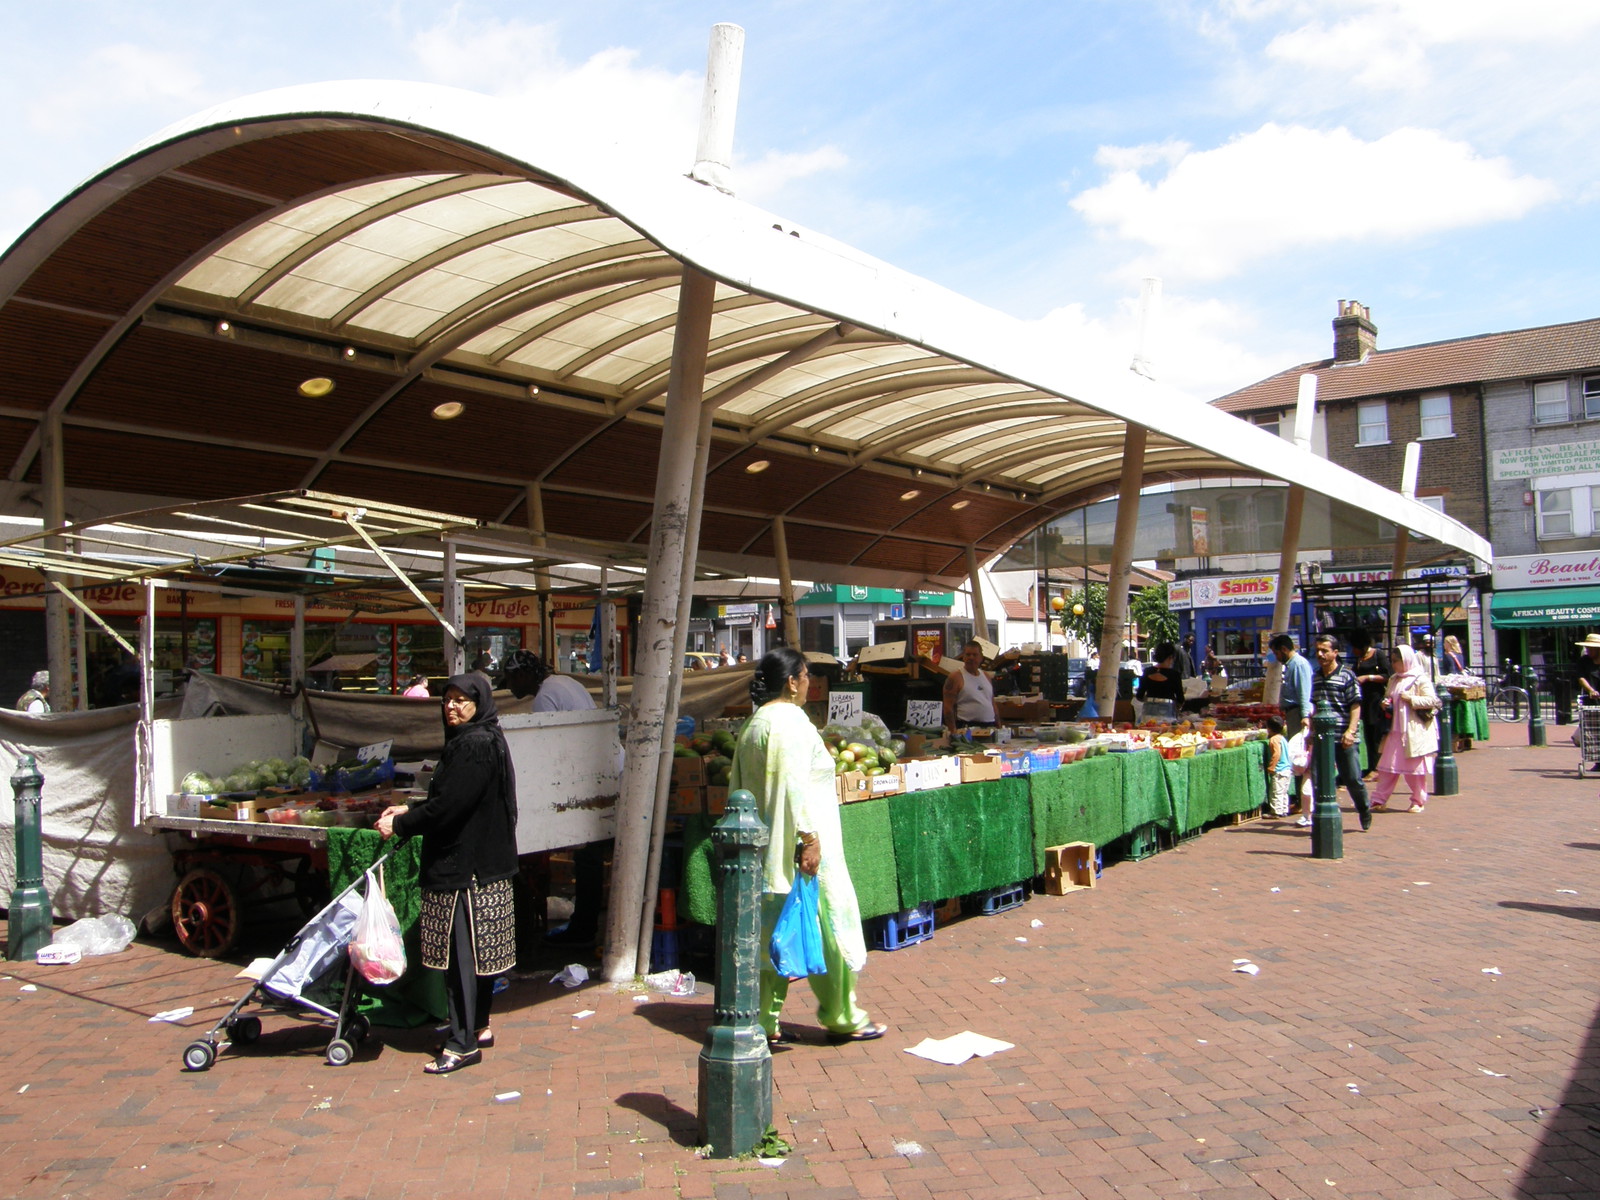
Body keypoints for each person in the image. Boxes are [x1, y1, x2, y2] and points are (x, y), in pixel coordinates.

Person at [730, 648, 885, 1046]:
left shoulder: (755, 724)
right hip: (803, 850)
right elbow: (794, 787)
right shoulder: (791, 724)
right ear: (792, 681)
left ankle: (764, 1020)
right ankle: (843, 1015)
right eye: (806, 675)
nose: (809, 683)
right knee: (825, 929)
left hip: (765, 850)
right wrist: (809, 840)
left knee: (775, 935)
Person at [377, 673, 517, 1074]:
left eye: (461, 701)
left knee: (462, 958)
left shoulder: (473, 744)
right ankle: (478, 1026)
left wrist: (401, 825)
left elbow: (448, 809)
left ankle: (461, 1043)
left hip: (464, 868)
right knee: (480, 954)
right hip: (483, 864)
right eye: (447, 700)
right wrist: (410, 807)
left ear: (479, 703)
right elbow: (453, 796)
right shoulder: (484, 737)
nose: (452, 708)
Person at [498, 648, 605, 945]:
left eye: (510, 679)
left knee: (588, 860)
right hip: (595, 770)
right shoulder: (565, 683)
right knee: (590, 858)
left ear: (523, 674)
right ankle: (583, 926)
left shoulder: (546, 696)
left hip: (587, 776)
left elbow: (546, 749)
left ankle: (583, 930)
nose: (509, 687)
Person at [1307, 634, 1373, 831]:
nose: (1320, 654)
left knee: (1352, 778)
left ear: (1335, 653)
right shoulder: (1316, 677)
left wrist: (1351, 731)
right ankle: (1322, 819)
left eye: (1325, 651)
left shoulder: (1347, 675)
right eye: (1318, 650)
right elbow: (1315, 707)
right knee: (1319, 780)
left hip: (1344, 736)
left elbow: (1355, 705)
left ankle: (1364, 809)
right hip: (1322, 737)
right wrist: (1311, 730)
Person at [1370, 645, 1441, 814]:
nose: (1393, 665)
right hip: (1394, 730)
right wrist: (1385, 702)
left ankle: (1418, 800)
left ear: (1406, 660)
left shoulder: (1420, 678)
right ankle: (1378, 800)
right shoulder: (1394, 679)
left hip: (1413, 731)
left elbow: (1433, 701)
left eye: (1396, 661)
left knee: (1415, 770)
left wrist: (1411, 699)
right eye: (1392, 661)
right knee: (1387, 767)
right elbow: (1388, 696)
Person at [1349, 632, 1391, 778]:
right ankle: (1371, 765)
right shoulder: (1359, 658)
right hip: (1363, 700)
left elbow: (1387, 676)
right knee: (1367, 733)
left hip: (1375, 699)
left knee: (1375, 735)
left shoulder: (1378, 655)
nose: (1353, 650)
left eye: (1355, 647)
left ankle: (1378, 768)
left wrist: (1368, 677)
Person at [500, 649, 595, 713]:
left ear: (521, 675)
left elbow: (548, 739)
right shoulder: (566, 680)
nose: (509, 686)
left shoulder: (544, 697)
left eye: (509, 680)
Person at [943, 640, 997, 732]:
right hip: (967, 727)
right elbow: (948, 708)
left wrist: (999, 726)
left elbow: (992, 703)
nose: (971, 658)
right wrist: (953, 731)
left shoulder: (986, 676)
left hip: (990, 726)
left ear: (981, 657)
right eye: (968, 655)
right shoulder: (955, 677)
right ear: (963, 657)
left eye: (975, 655)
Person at [1270, 634, 1312, 732]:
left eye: (1276, 653)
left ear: (1284, 649)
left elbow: (1304, 692)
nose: (1277, 657)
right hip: (1291, 713)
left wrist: (1305, 716)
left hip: (1297, 713)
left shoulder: (1299, 664)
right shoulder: (1291, 665)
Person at [1263, 715, 1293, 818]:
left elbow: (1276, 753)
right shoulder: (1282, 738)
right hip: (1287, 769)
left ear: (1269, 728)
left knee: (1276, 792)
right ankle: (1284, 809)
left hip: (1279, 770)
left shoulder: (1274, 739)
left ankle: (1275, 812)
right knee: (1284, 792)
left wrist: (1271, 766)